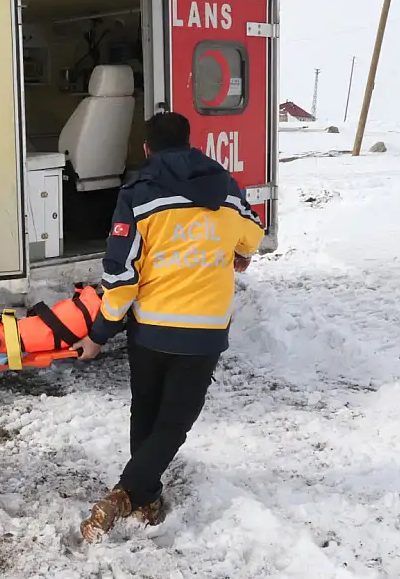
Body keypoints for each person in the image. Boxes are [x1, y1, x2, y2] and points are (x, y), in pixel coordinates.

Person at [72, 111, 264, 542]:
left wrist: (99, 334)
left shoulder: (138, 195)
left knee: (147, 412)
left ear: (146, 149)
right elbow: (253, 235)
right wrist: (239, 251)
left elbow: (121, 278)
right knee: (174, 423)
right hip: (205, 332)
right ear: (191, 143)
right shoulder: (226, 188)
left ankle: (129, 492)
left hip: (152, 329)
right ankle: (140, 497)